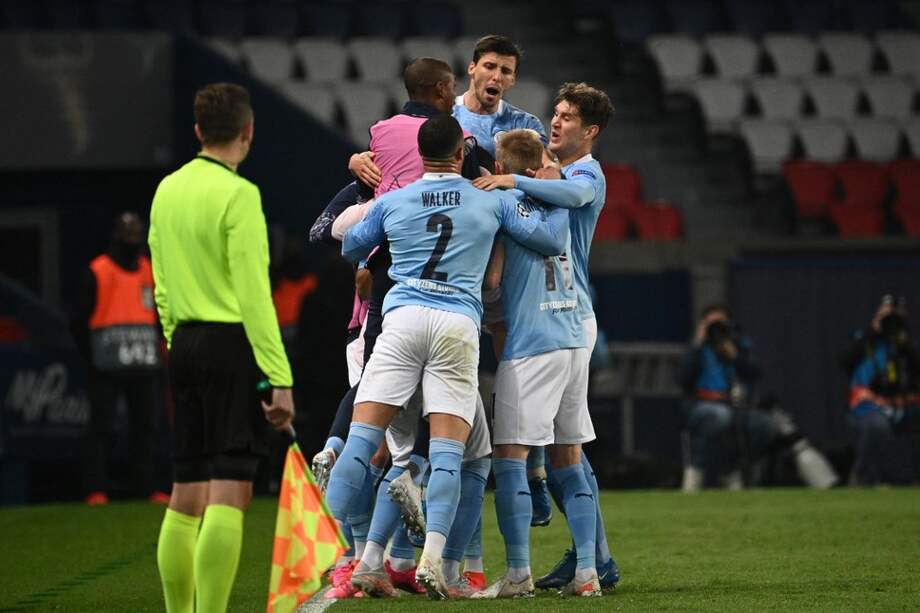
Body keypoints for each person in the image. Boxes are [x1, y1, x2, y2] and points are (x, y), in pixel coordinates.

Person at [327, 114, 569, 600]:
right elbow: (549, 240)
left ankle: (340, 556)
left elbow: (350, 244)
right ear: (462, 154)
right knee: (446, 454)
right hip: (456, 325)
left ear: (421, 156)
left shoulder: (395, 200)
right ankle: (434, 563)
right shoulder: (491, 199)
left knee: (360, 441)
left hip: (401, 321)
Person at [148, 82, 295, 613]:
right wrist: (279, 377)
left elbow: (161, 283)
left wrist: (176, 340)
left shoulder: (166, 189)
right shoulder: (240, 194)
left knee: (186, 489)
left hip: (184, 343)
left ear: (198, 131)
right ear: (248, 132)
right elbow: (254, 294)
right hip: (229, 344)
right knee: (231, 488)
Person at [474, 82, 620, 592]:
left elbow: (570, 201)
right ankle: (591, 566)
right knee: (567, 451)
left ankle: (524, 569)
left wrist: (509, 180)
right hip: (570, 322)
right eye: (555, 114)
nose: (555, 122)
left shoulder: (584, 174)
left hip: (548, 323)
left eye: (567, 117)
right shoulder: (549, 178)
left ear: (591, 131)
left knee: (512, 450)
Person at [678, 306, 838, 491]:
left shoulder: (737, 345)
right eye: (712, 324)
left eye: (721, 324)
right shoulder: (696, 348)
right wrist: (697, 345)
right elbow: (682, 379)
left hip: (734, 406)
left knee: (767, 426)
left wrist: (735, 356)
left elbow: (754, 374)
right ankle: (696, 472)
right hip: (700, 405)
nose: (717, 329)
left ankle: (732, 469)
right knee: (720, 416)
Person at [79, 212, 168, 505]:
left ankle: (146, 487)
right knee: (101, 427)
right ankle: (95, 489)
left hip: (144, 362)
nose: (132, 240)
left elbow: (160, 314)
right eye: (126, 234)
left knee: (147, 427)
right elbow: (79, 319)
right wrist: (90, 356)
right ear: (115, 236)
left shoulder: (149, 271)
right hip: (107, 365)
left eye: (136, 234)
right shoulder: (98, 270)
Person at [842, 295, 920, 485]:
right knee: (878, 424)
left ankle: (907, 477)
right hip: (868, 407)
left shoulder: (905, 344)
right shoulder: (867, 341)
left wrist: (902, 336)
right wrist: (875, 328)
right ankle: (863, 477)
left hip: (904, 406)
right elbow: (845, 361)